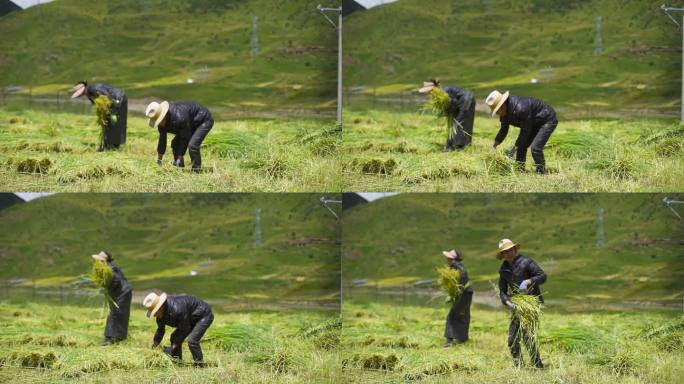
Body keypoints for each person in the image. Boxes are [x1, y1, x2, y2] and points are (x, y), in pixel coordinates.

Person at [496, 238, 547, 368]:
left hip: (531, 304)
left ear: (515, 249)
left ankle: (537, 364)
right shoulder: (504, 270)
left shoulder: (527, 262)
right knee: (512, 338)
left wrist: (528, 281)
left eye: (510, 250)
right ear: (502, 255)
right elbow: (502, 290)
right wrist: (507, 302)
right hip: (516, 306)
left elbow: (542, 276)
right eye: (505, 251)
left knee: (527, 336)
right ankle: (518, 365)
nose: (508, 253)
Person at [485, 90, 558, 174]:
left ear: (503, 105)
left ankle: (541, 173)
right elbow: (503, 130)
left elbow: (525, 132)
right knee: (521, 147)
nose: (497, 114)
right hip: (533, 122)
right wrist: (494, 146)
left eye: (497, 111)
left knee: (535, 148)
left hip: (546, 119)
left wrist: (513, 150)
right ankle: (520, 171)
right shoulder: (504, 113)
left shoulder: (521, 109)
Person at [143, 292, 214, 366]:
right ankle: (177, 362)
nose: (154, 315)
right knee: (174, 337)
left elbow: (185, 328)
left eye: (154, 311)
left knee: (192, 341)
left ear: (161, 307)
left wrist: (172, 348)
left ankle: (199, 364)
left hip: (203, 315)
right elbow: (160, 330)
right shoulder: (160, 316)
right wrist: (155, 345)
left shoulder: (177, 310)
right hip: (189, 317)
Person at [145, 101, 214, 172]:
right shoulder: (161, 124)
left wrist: (180, 155)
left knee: (192, 145)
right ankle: (179, 165)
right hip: (189, 122)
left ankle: (196, 170)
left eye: (158, 121)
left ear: (163, 116)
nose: (158, 123)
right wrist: (159, 160)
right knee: (174, 143)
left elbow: (185, 137)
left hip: (203, 120)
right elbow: (162, 140)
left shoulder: (180, 118)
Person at [419, 79, 476, 151]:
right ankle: (452, 145)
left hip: (467, 100)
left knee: (461, 123)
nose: (428, 93)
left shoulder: (444, 93)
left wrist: (448, 111)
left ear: (434, 88)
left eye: (429, 91)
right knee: (454, 124)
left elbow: (453, 102)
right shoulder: (438, 96)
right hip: (461, 102)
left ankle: (460, 146)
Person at [70, 81, 127, 150]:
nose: (81, 96)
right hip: (114, 101)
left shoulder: (93, 89)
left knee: (116, 123)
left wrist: (114, 110)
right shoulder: (89, 93)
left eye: (80, 94)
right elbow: (97, 104)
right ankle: (109, 145)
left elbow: (107, 96)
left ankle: (114, 146)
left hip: (118, 98)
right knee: (108, 123)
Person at [91, 251, 132, 346]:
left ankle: (111, 339)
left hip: (123, 293)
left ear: (104, 261)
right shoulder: (106, 268)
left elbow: (116, 281)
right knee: (116, 313)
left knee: (116, 313)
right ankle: (114, 337)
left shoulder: (111, 269)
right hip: (119, 292)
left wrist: (107, 288)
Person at [441, 249, 473, 347]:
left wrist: (455, 292)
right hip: (467, 292)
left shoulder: (456, 267)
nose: (447, 259)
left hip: (463, 293)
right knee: (464, 315)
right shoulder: (459, 266)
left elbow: (460, 281)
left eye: (449, 257)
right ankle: (462, 338)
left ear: (452, 258)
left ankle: (449, 341)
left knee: (452, 315)